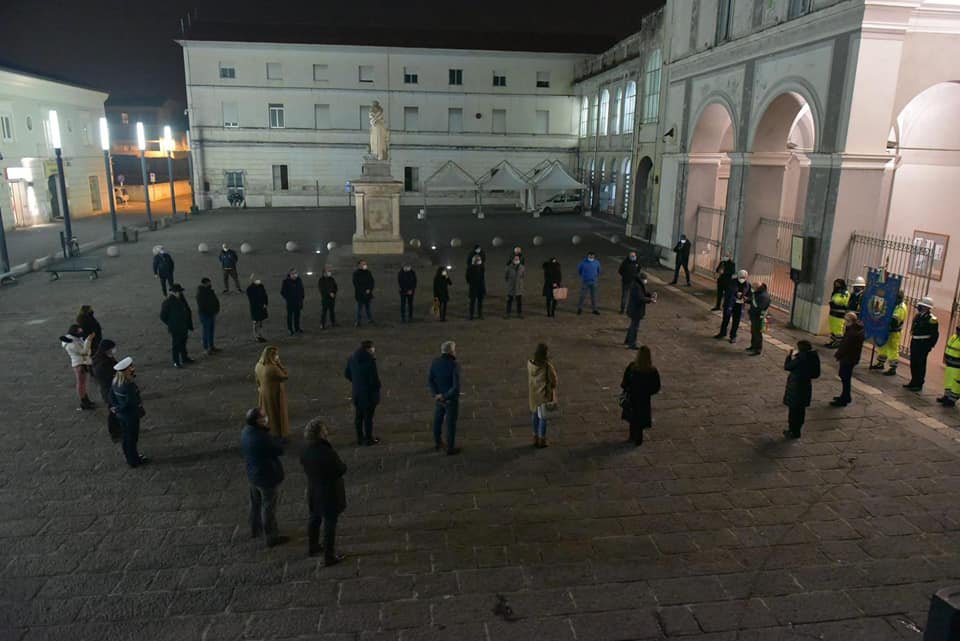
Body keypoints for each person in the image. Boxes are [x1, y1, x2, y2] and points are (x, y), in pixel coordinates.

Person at [300, 418, 347, 565]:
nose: (326, 431)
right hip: (329, 493)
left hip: (314, 490)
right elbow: (340, 469)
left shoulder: (305, 450)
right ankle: (329, 556)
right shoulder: (327, 452)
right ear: (320, 434)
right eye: (324, 429)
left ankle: (313, 546)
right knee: (330, 523)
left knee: (314, 518)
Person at [240, 407, 287, 547]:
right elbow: (279, 450)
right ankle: (271, 536)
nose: (266, 418)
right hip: (266, 477)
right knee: (268, 507)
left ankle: (256, 529)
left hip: (253, 474)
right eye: (263, 416)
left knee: (255, 503)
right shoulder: (261, 438)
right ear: (257, 421)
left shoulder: (246, 431)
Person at [110, 357, 148, 467]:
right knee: (132, 438)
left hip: (121, 415)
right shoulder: (128, 385)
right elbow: (130, 402)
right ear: (126, 370)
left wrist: (115, 407)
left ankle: (129, 457)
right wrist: (119, 408)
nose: (132, 369)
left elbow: (111, 396)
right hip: (131, 415)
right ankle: (134, 460)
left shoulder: (115, 381)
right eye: (130, 367)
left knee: (126, 437)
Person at [620, 345, 661, 446]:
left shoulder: (632, 367)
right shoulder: (652, 371)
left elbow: (624, 383)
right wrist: (648, 392)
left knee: (632, 415)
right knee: (641, 416)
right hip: (644, 398)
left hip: (632, 396)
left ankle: (632, 436)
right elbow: (656, 387)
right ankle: (639, 437)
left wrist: (628, 388)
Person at [345, 340, 381, 446]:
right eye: (373, 348)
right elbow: (374, 380)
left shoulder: (352, 358)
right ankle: (368, 439)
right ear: (368, 349)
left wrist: (357, 382)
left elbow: (347, 374)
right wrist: (377, 387)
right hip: (368, 395)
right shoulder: (370, 361)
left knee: (358, 417)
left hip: (357, 393)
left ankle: (360, 438)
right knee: (368, 418)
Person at [782, 340, 821, 439]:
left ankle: (792, 431)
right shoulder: (814, 357)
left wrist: (789, 356)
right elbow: (816, 374)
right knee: (801, 411)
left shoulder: (800, 359)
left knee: (793, 411)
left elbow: (787, 366)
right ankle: (797, 430)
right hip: (806, 386)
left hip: (796, 387)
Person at [428, 341, 461, 455]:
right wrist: (445, 396)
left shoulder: (435, 362)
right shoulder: (454, 365)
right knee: (450, 424)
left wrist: (436, 394)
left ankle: (438, 442)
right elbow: (455, 387)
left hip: (439, 398)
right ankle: (450, 448)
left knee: (438, 420)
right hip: (450, 399)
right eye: (454, 350)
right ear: (451, 352)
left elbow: (430, 380)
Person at [904, 296, 940, 392]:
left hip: (923, 344)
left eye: (922, 305)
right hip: (915, 342)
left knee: (920, 364)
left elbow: (935, 335)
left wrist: (929, 346)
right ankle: (913, 381)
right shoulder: (918, 316)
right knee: (913, 362)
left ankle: (919, 383)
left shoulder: (932, 319)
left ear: (927, 307)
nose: (919, 307)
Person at [255, 346, 290, 440]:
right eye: (276, 355)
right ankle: (279, 433)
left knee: (267, 412)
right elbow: (285, 376)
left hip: (263, 392)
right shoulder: (272, 368)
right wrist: (279, 364)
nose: (277, 357)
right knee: (277, 413)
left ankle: (268, 430)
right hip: (274, 393)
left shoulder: (258, 365)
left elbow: (257, 380)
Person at [527, 343, 558, 448]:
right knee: (543, 418)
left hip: (533, 395)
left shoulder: (530, 364)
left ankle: (535, 437)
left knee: (534, 416)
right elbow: (553, 381)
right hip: (543, 396)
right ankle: (541, 439)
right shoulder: (547, 367)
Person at [831, 312, 864, 407]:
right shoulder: (855, 329)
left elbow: (845, 345)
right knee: (845, 377)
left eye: (845, 320)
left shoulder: (852, 332)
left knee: (844, 377)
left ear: (850, 321)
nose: (844, 322)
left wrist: (838, 355)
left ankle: (845, 398)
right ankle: (845, 396)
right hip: (851, 358)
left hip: (848, 358)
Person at [870, 291, 907, 376]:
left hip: (894, 331)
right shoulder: (892, 303)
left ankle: (893, 368)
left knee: (892, 349)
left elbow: (895, 320)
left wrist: (885, 319)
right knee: (883, 346)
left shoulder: (901, 307)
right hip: (886, 329)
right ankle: (880, 363)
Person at [60, 324, 95, 410]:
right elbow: (84, 351)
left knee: (82, 383)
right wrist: (89, 340)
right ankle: (84, 401)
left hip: (81, 362)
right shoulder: (71, 343)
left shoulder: (73, 340)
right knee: (81, 383)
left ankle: (85, 399)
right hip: (79, 364)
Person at [160, 283, 194, 368]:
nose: (180, 293)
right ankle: (176, 361)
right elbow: (163, 316)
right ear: (174, 292)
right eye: (179, 291)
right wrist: (171, 323)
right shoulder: (168, 302)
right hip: (176, 327)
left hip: (183, 326)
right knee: (176, 345)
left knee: (183, 343)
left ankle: (184, 358)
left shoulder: (179, 299)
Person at [714, 270, 751, 343]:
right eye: (741, 277)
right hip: (730, 304)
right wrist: (735, 295)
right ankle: (722, 333)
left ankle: (733, 336)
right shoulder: (731, 282)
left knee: (736, 321)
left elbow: (749, 295)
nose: (742, 279)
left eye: (743, 277)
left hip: (739, 305)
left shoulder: (748, 285)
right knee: (725, 319)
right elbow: (727, 293)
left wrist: (745, 298)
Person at [625, 272, 655, 350]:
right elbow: (640, 298)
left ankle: (627, 340)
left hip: (634, 309)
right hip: (636, 310)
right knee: (634, 327)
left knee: (632, 325)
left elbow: (643, 293)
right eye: (645, 279)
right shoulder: (637, 286)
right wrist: (650, 300)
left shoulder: (638, 284)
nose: (646, 281)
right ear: (642, 279)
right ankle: (632, 344)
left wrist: (650, 295)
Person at [937, 323, 960, 408]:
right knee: (948, 381)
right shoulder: (954, 337)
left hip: (957, 366)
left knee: (955, 384)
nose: (957, 330)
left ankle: (952, 400)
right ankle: (946, 396)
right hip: (950, 364)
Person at [196, 277, 221, 355]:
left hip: (210, 314)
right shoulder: (201, 293)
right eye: (209, 282)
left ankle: (211, 346)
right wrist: (212, 311)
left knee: (210, 331)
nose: (210, 284)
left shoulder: (208, 291)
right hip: (206, 314)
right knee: (206, 331)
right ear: (205, 283)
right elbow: (202, 305)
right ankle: (206, 348)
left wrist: (215, 310)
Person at [90, 338, 118, 404]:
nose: (114, 350)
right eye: (112, 348)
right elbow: (109, 376)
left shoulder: (105, 357)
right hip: (110, 391)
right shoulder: (102, 364)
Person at [747, 282, 771, 355]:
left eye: (753, 288)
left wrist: (752, 311)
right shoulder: (758, 293)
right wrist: (747, 300)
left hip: (759, 317)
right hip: (754, 316)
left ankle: (758, 349)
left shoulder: (764, 296)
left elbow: (760, 307)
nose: (752, 289)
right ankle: (753, 346)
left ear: (757, 288)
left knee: (757, 333)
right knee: (753, 331)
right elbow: (753, 301)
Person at [825, 279, 850, 348]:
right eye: (836, 284)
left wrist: (834, 301)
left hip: (839, 314)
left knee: (838, 329)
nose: (836, 285)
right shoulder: (836, 292)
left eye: (838, 284)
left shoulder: (845, 292)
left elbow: (840, 300)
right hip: (833, 313)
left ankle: (838, 343)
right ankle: (833, 341)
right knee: (832, 328)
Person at [281, 269, 305, 336]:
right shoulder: (286, 282)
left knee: (297, 316)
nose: (294, 275)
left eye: (295, 273)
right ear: (290, 274)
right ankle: (290, 329)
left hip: (298, 301)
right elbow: (283, 292)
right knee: (290, 316)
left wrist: (302, 298)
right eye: (293, 273)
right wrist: (288, 298)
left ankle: (297, 328)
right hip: (290, 302)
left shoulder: (299, 280)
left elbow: (301, 289)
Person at [246, 275, 269, 342]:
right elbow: (253, 300)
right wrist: (261, 305)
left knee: (260, 321)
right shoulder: (250, 289)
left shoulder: (261, 286)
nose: (258, 280)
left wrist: (265, 303)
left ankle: (260, 335)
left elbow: (265, 295)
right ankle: (257, 336)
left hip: (262, 307)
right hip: (255, 308)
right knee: (256, 322)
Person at [352, 260, 375, 327]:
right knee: (359, 309)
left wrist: (369, 289)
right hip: (360, 294)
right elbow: (356, 284)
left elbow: (372, 282)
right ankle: (358, 321)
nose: (365, 265)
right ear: (359, 265)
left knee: (368, 308)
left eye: (365, 264)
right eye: (363, 264)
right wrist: (364, 291)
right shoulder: (356, 273)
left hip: (368, 294)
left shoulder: (368, 272)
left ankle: (370, 319)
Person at [466, 255, 486, 320]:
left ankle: (480, 314)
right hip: (473, 287)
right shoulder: (470, 268)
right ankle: (471, 315)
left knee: (480, 302)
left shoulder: (481, 268)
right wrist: (472, 283)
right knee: (472, 302)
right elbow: (467, 278)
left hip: (480, 287)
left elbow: (482, 278)